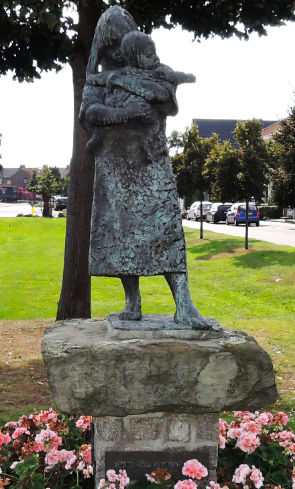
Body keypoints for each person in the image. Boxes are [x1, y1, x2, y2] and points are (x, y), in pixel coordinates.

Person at [80, 7, 215, 330]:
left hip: (151, 162)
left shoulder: (146, 69)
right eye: (110, 46)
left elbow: (169, 102)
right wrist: (122, 117)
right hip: (114, 168)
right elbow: (88, 114)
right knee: (121, 234)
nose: (115, 52)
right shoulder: (100, 77)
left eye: (119, 44)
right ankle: (132, 301)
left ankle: (184, 305)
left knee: (167, 229)